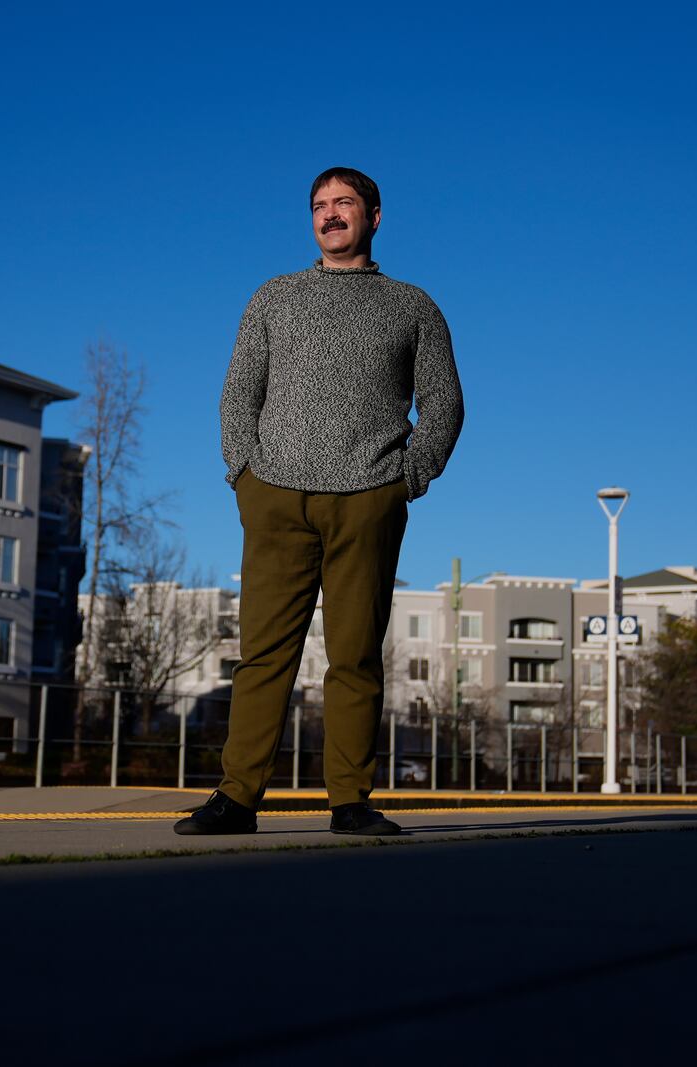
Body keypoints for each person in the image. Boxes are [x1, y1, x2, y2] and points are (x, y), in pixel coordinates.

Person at [177, 167, 463, 836]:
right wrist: (243, 473)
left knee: (355, 654)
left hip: (369, 496)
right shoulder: (274, 297)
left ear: (375, 215)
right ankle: (238, 797)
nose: (331, 215)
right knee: (263, 654)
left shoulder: (413, 305)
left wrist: (408, 477)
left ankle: (350, 800)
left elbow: (444, 403)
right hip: (274, 496)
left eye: (344, 203)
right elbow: (237, 395)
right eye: (320, 205)